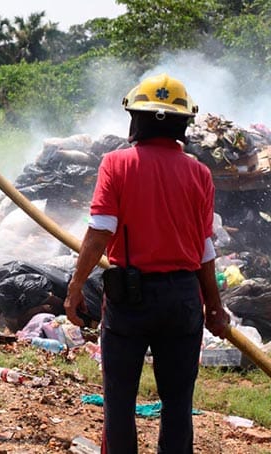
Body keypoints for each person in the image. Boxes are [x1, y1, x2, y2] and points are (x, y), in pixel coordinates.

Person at [63, 74, 230, 453]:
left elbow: (100, 232)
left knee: (119, 402)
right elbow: (205, 250)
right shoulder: (199, 173)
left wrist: (75, 288)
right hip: (184, 299)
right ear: (183, 124)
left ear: (135, 119)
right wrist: (214, 307)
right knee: (177, 405)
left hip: (130, 300)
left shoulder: (116, 164)